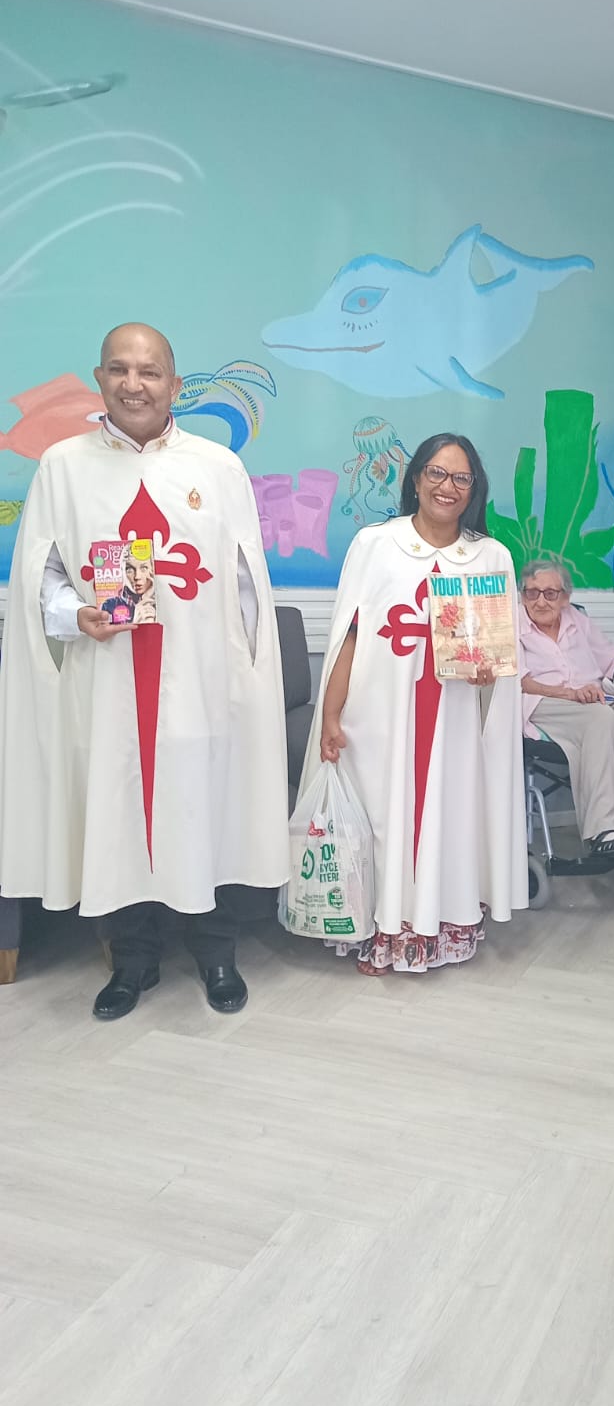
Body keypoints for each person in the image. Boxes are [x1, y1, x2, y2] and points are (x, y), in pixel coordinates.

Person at [0, 323, 289, 1019]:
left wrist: (245, 684)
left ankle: (216, 954)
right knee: (119, 815)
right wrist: (75, 613)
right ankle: (131, 962)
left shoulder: (217, 468)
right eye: (120, 369)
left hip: (199, 682)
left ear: (174, 385)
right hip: (106, 682)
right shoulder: (63, 467)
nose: (134, 384)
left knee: (205, 809)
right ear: (100, 377)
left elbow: (247, 587)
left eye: (150, 371)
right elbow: (41, 578)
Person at [305, 433, 526, 974]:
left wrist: (488, 671)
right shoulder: (375, 545)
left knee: (448, 817)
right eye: (436, 473)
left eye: (461, 477)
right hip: (379, 715)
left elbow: (500, 659)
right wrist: (331, 715)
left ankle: (438, 924)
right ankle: (381, 928)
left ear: (474, 488)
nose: (447, 487)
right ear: (416, 478)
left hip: (455, 717)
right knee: (383, 819)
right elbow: (350, 635)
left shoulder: (491, 556)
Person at [518, 559, 614, 856]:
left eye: (550, 593)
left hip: (589, 699)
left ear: (565, 597)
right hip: (544, 702)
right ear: (523, 595)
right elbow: (521, 682)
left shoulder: (576, 619)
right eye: (532, 593)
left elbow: (609, 654)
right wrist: (569, 694)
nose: (540, 601)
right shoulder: (513, 625)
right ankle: (602, 830)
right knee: (600, 716)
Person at [101, 551, 157, 625]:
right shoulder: (109, 605)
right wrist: (135, 621)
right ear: (122, 572)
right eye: (129, 570)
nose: (137, 576)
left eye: (144, 568)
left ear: (152, 569)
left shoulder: (163, 601)